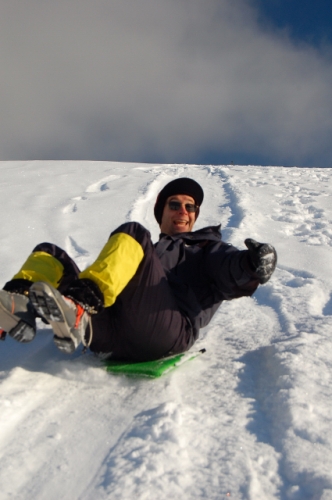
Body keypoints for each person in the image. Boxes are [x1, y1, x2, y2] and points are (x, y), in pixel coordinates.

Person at [0, 177, 277, 361]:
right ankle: (17, 308)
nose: (183, 210)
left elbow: (228, 267)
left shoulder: (206, 248)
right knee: (51, 254)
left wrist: (251, 264)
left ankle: (81, 305)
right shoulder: (148, 254)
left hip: (165, 331)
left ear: (195, 215)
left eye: (190, 207)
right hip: (110, 332)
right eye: (175, 204)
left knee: (132, 232)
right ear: (162, 211)